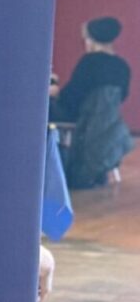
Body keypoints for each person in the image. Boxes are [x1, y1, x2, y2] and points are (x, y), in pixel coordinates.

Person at [52, 16, 134, 188]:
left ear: (91, 39)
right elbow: (122, 95)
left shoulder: (89, 62)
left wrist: (53, 91)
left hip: (81, 116)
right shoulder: (122, 66)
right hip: (105, 122)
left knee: (41, 111)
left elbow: (71, 97)